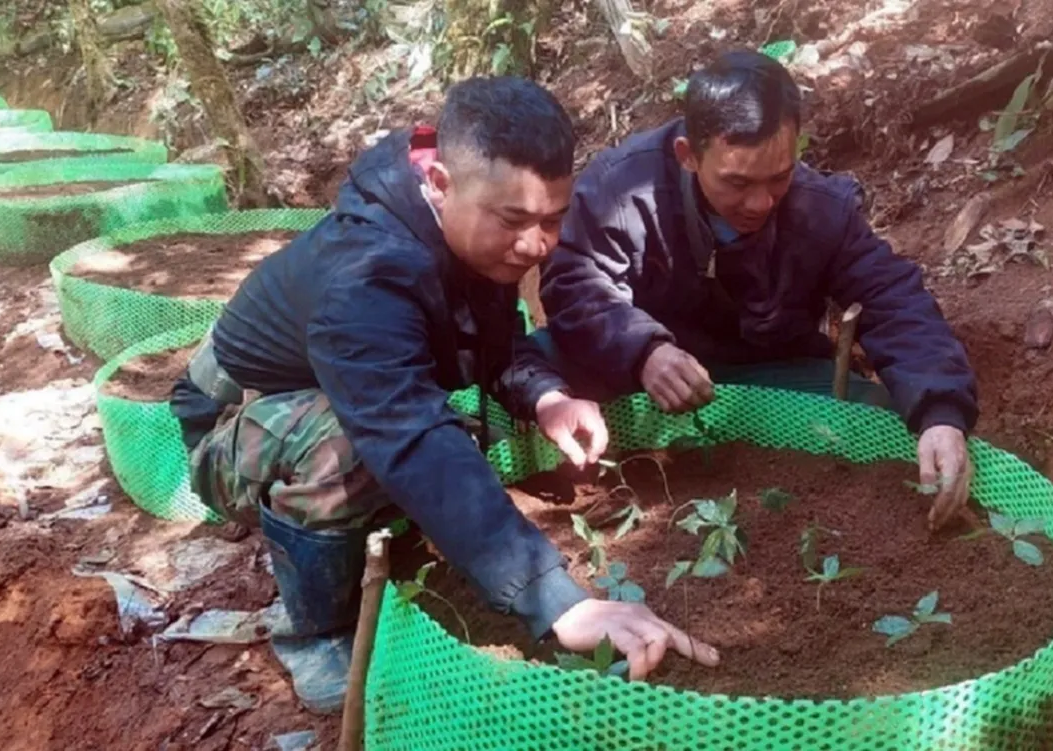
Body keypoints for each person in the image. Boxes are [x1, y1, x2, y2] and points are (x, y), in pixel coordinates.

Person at [169, 76, 719, 716]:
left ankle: (359, 534)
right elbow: (407, 434)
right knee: (356, 449)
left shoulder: (464, 236)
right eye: (514, 220)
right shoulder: (364, 274)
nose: (536, 245)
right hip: (234, 427)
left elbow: (493, 345)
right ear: (439, 183)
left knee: (428, 439)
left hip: (324, 397)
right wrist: (558, 599)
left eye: (553, 219)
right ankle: (313, 631)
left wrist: (546, 398)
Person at [538, 50, 979, 531]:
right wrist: (644, 350)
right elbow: (574, 283)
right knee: (534, 376)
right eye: (737, 182)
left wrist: (940, 412)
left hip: (769, 373)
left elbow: (893, 298)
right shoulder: (622, 189)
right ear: (688, 155)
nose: (760, 203)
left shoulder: (820, 209)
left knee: (886, 420)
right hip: (647, 372)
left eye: (779, 177)